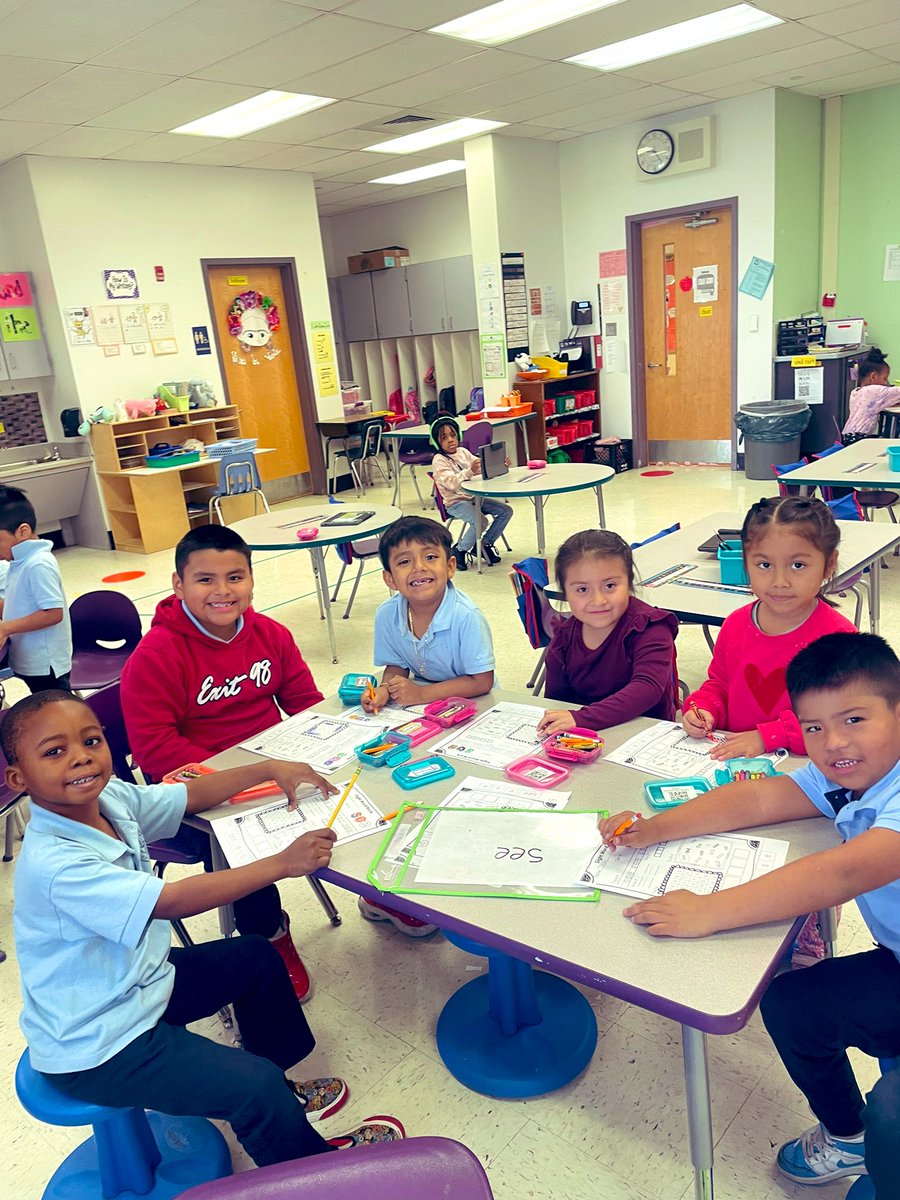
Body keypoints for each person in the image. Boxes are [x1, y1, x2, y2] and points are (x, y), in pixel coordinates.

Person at [9, 690, 405, 1166]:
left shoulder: (108, 797)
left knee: (255, 958)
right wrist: (282, 862)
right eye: (55, 752)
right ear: (19, 778)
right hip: (98, 1041)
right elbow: (171, 899)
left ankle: (280, 1094)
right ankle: (316, 1172)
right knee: (250, 1088)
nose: (81, 758)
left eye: (91, 740)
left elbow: (189, 794)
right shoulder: (56, 864)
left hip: (135, 981)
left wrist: (268, 768)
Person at [599, 632, 900, 1189]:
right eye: (813, 727)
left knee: (893, 1123)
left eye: (855, 720)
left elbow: (842, 872)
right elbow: (760, 796)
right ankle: (847, 1138)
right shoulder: (848, 771)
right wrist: (653, 829)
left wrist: (710, 911)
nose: (833, 743)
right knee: (791, 1002)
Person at [121, 524, 324, 1000]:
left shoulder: (270, 633)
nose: (222, 591)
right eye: (205, 579)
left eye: (235, 577)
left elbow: (307, 706)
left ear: (252, 579)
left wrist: (324, 745)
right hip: (195, 792)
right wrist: (244, 777)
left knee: (355, 798)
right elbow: (154, 753)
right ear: (178, 585)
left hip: (271, 772)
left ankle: (386, 902)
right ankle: (269, 935)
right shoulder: (156, 656)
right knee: (244, 849)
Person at [359, 515, 494, 935]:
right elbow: (395, 665)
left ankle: (445, 879)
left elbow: (482, 682)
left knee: (452, 792)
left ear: (450, 566)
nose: (418, 568)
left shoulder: (466, 616)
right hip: (420, 714)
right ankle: (393, 887)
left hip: (472, 709)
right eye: (404, 562)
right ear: (388, 577)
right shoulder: (388, 614)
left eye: (430, 557)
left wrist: (419, 695)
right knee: (398, 784)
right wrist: (386, 689)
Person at [683, 497, 856, 761]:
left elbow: (842, 721)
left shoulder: (839, 641)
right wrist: (704, 708)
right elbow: (721, 684)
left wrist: (768, 736)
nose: (779, 582)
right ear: (746, 563)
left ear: (829, 564)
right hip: (738, 766)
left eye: (798, 565)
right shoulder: (735, 625)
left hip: (807, 771)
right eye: (764, 565)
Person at [536, 530, 679, 737]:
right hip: (585, 741)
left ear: (629, 583)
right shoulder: (564, 637)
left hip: (644, 739)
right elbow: (556, 702)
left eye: (610, 586)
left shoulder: (650, 627)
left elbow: (647, 689)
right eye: (582, 590)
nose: (599, 600)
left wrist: (581, 719)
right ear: (565, 592)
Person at [0, 484, 72, 693]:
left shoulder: (38, 563)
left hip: (45, 665)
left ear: (23, 531)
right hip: (31, 660)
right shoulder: (18, 561)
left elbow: (53, 613)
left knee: (55, 711)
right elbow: (20, 605)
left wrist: (6, 628)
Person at [429, 413, 512, 568]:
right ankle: (459, 550)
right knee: (480, 520)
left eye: (453, 435)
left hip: (474, 498)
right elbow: (451, 483)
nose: (450, 440)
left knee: (506, 511)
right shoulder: (439, 460)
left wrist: (500, 464)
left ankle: (484, 544)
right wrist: (469, 471)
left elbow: (481, 468)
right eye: (444, 438)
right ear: (437, 442)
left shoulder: (463, 452)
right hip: (456, 502)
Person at [842, 347, 900, 437]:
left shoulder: (856, 392)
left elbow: (874, 403)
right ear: (873, 376)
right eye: (884, 378)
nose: (886, 383)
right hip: (859, 436)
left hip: (847, 434)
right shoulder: (874, 391)